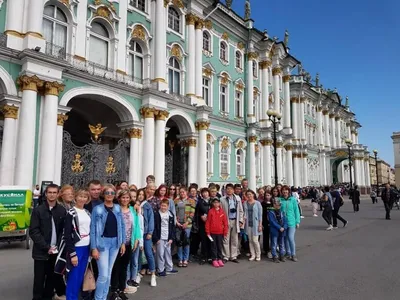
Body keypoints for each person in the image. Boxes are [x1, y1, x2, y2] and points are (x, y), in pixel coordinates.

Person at [29, 184, 66, 300]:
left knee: (51, 279)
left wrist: (57, 246)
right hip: (41, 253)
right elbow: (34, 231)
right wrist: (46, 247)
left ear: (58, 194)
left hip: (55, 252)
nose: (52, 195)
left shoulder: (61, 210)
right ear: (46, 194)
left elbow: (62, 231)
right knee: (39, 280)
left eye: (54, 192)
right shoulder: (38, 210)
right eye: (50, 192)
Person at [90, 184, 126, 300]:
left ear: (114, 195)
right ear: (103, 194)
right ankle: (98, 298)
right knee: (103, 275)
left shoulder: (117, 208)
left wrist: (123, 243)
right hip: (102, 244)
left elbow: (122, 226)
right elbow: (93, 230)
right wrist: (93, 247)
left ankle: (104, 297)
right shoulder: (98, 209)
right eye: (107, 193)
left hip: (115, 243)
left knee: (109, 273)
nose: (109, 195)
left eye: (112, 193)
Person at [110, 189, 141, 300]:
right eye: (123, 197)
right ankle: (114, 290)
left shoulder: (133, 210)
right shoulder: (115, 209)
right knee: (115, 267)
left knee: (124, 267)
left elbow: (136, 225)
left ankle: (122, 289)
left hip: (129, 242)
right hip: (117, 243)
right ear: (119, 198)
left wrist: (137, 239)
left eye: (127, 198)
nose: (125, 199)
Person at [64, 189, 91, 300]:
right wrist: (72, 254)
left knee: (80, 275)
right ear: (76, 197)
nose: (82, 199)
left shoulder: (87, 212)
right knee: (73, 276)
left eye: (85, 197)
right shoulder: (71, 212)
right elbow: (67, 235)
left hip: (87, 246)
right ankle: (71, 298)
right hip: (77, 247)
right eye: (80, 196)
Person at [153, 199, 178, 276]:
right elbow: (154, 227)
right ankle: (160, 269)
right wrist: (156, 238)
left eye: (165, 206)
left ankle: (169, 268)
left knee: (168, 253)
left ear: (168, 206)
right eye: (162, 205)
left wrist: (171, 238)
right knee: (160, 253)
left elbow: (172, 227)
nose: (163, 207)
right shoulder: (156, 214)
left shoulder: (170, 214)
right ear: (160, 205)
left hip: (167, 237)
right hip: (160, 237)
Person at [138, 187, 157, 287]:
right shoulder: (135, 205)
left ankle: (153, 274)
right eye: (139, 194)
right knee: (139, 254)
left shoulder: (147, 206)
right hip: (138, 234)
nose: (140, 196)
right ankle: (138, 273)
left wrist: (150, 232)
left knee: (149, 253)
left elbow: (151, 220)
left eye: (142, 194)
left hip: (146, 233)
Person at [174, 186, 196, 267]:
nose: (182, 193)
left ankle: (185, 259)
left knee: (186, 242)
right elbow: (174, 212)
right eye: (181, 192)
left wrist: (187, 222)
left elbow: (192, 213)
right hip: (179, 224)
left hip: (187, 224)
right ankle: (180, 259)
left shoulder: (191, 201)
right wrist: (176, 222)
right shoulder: (176, 201)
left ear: (186, 192)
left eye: (183, 192)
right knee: (179, 242)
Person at [127, 192, 144, 288]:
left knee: (134, 260)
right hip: (128, 239)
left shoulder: (136, 209)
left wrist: (138, 240)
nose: (132, 198)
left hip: (136, 238)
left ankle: (133, 278)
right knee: (128, 261)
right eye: (131, 197)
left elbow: (138, 226)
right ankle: (127, 278)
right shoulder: (125, 209)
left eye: (134, 197)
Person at [205, 197, 228, 268]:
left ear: (219, 203)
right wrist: (208, 232)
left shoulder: (222, 211)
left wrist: (225, 232)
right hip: (212, 232)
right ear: (212, 203)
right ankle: (214, 259)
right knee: (213, 246)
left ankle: (220, 258)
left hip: (220, 232)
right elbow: (208, 222)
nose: (216, 204)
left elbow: (225, 223)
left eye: (217, 202)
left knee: (219, 246)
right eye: (214, 202)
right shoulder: (210, 211)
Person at [280, 185, 300, 262]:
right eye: (283, 191)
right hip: (283, 223)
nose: (285, 192)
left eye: (286, 191)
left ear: (288, 191)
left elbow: (296, 211)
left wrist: (297, 221)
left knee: (290, 238)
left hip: (292, 222)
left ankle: (293, 254)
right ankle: (287, 252)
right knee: (285, 238)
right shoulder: (280, 200)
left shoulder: (293, 200)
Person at [243, 190, 263, 261]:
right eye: (247, 194)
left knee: (255, 240)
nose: (249, 196)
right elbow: (244, 213)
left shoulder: (257, 203)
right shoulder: (245, 203)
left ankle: (258, 254)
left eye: (250, 194)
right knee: (250, 240)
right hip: (248, 224)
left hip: (256, 224)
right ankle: (253, 254)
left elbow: (260, 215)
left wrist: (260, 225)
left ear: (253, 195)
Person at [195, 188, 212, 265]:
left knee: (210, 240)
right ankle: (203, 257)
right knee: (203, 240)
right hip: (202, 223)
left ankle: (210, 256)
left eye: (206, 192)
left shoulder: (212, 201)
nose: (205, 194)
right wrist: (201, 216)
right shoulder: (200, 202)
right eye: (203, 193)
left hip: (211, 223)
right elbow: (197, 212)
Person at [268, 198, 288, 263]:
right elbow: (272, 221)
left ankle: (281, 255)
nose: (278, 206)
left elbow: (285, 220)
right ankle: (274, 256)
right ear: (273, 204)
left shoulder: (282, 212)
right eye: (276, 204)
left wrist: (284, 227)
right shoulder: (270, 212)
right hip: (275, 230)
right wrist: (279, 227)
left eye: (279, 204)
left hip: (282, 230)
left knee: (281, 243)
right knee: (274, 244)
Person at [261, 191, 273, 258]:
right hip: (265, 222)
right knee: (266, 237)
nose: (267, 197)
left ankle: (272, 249)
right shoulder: (262, 204)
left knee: (273, 237)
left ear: (271, 196)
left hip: (272, 222)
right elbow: (261, 214)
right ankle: (266, 250)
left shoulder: (273, 203)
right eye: (266, 195)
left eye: (269, 195)